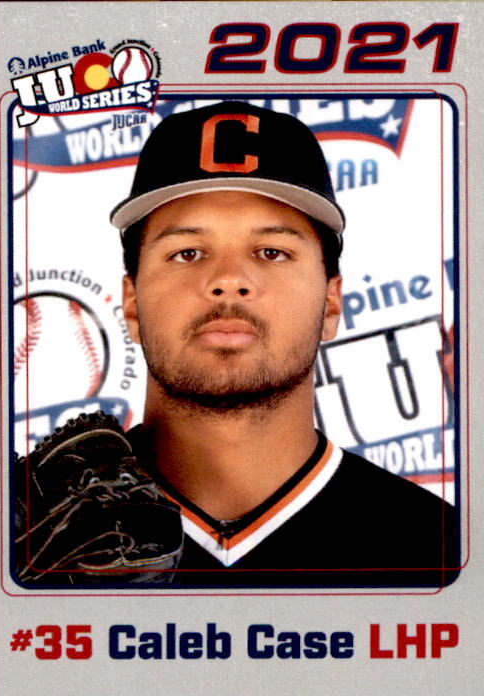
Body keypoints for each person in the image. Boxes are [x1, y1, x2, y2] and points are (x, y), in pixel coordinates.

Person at [110, 100, 458, 588]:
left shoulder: (443, 554)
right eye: (187, 253)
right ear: (132, 303)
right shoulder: (19, 536)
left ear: (331, 304)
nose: (229, 280)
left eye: (272, 252)